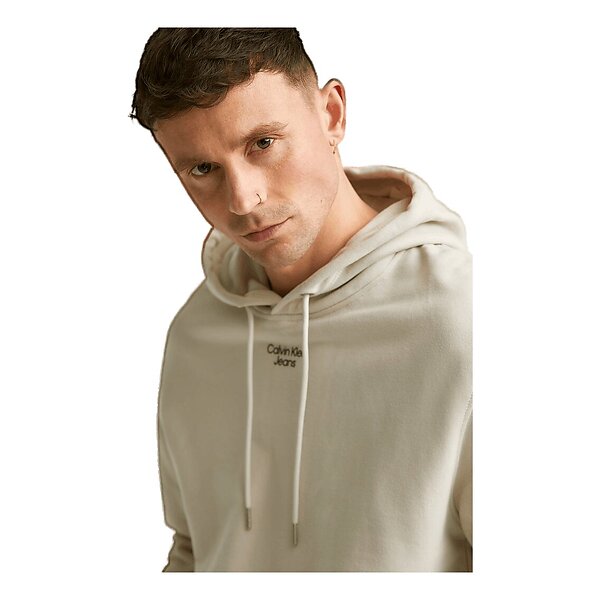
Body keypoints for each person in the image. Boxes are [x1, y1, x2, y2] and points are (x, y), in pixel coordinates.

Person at [130, 27, 472, 572]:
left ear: (331, 114)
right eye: (203, 169)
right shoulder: (196, 332)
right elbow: (193, 551)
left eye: (262, 144)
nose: (243, 200)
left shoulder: (460, 318)